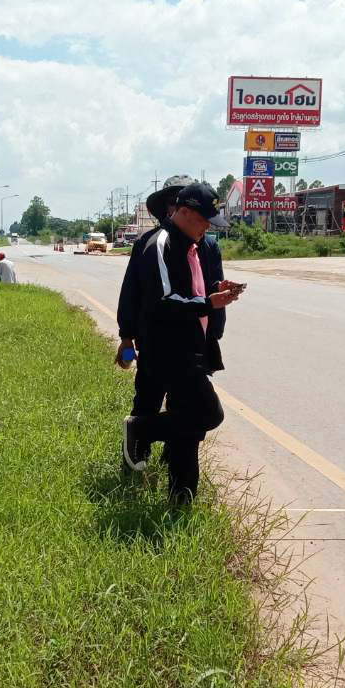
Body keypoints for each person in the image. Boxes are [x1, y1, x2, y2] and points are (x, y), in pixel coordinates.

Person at [115, 177, 246, 503]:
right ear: (182, 212)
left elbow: (194, 291)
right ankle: (141, 431)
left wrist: (214, 296)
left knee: (189, 423)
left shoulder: (197, 245)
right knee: (207, 413)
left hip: (192, 345)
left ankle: (181, 499)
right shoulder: (159, 244)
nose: (207, 228)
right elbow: (160, 300)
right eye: (203, 220)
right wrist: (127, 336)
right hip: (167, 348)